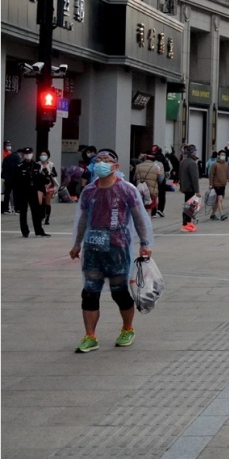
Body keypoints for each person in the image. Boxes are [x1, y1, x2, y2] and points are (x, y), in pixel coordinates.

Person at [69, 149, 153, 352]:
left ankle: (127, 328)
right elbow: (82, 219)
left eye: (106, 160)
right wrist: (77, 243)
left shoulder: (127, 189)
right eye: (98, 159)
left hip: (118, 248)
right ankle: (90, 336)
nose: (101, 163)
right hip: (93, 249)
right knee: (89, 293)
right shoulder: (89, 191)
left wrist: (145, 243)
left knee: (119, 293)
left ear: (115, 166)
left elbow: (139, 217)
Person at [13, 147, 49, 237]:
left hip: (33, 191)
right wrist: (16, 196)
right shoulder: (20, 166)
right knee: (23, 212)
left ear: (32, 154)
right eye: (26, 154)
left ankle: (39, 231)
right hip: (23, 192)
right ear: (23, 155)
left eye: (29, 153)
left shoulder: (37, 166)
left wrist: (43, 191)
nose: (28, 155)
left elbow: (41, 180)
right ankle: (25, 231)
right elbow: (16, 182)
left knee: (36, 211)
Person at [178, 145, 201, 232]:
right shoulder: (192, 163)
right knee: (189, 207)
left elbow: (180, 175)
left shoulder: (183, 162)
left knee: (187, 205)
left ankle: (187, 222)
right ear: (192, 152)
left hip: (185, 186)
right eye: (195, 151)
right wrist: (197, 191)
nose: (196, 152)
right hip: (190, 188)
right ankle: (186, 223)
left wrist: (181, 186)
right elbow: (194, 178)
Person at [36, 148, 59, 225]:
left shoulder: (51, 164)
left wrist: (49, 173)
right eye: (41, 155)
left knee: (47, 202)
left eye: (44, 154)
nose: (43, 156)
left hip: (49, 185)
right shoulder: (37, 164)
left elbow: (55, 174)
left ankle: (47, 218)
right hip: (40, 185)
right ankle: (41, 215)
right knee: (40, 201)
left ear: (48, 156)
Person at [209, 150, 229, 220]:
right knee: (220, 199)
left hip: (223, 185)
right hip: (216, 185)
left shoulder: (226, 164)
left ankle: (212, 214)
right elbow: (211, 175)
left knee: (217, 201)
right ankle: (222, 214)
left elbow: (228, 173)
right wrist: (211, 184)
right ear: (218, 156)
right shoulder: (215, 165)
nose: (223, 156)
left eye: (224, 155)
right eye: (222, 155)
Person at [2, 142, 20, 213]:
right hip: (15, 178)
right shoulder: (17, 158)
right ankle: (16, 209)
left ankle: (5, 209)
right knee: (15, 194)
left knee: (7, 193)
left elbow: (3, 167)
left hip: (7, 178)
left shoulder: (7, 157)